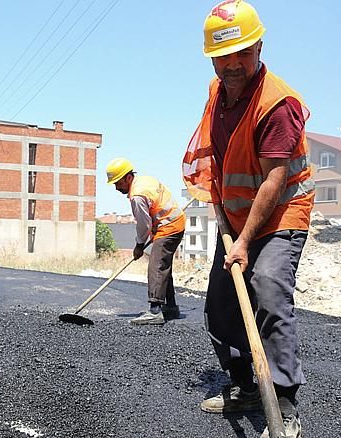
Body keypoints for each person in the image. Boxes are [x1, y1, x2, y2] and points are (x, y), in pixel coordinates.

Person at [182, 1, 314, 437]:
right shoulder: (215, 92)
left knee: (267, 288)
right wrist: (217, 200)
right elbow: (219, 155)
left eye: (243, 53)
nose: (234, 64)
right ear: (212, 57)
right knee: (220, 304)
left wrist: (243, 242)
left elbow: (274, 180)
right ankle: (246, 386)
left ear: (258, 46)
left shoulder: (277, 104)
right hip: (236, 214)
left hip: (281, 213)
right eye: (224, 56)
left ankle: (285, 401)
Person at [106, 158, 185, 325]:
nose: (116, 187)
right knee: (163, 265)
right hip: (174, 222)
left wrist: (139, 245)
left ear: (128, 177)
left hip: (169, 226)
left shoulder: (137, 195)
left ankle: (155, 310)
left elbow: (144, 225)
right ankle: (171, 307)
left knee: (156, 265)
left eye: (118, 183)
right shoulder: (144, 181)